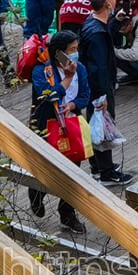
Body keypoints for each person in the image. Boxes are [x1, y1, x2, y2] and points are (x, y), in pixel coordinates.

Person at [25, 28, 90, 233]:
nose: (75, 54)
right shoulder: (41, 70)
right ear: (59, 52)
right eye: (71, 50)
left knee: (73, 171)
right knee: (46, 167)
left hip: (71, 124)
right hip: (45, 125)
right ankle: (36, 192)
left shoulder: (80, 68)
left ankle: (67, 213)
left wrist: (73, 105)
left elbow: (85, 94)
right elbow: (48, 95)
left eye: (76, 49)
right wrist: (67, 79)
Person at [77, 0, 135, 185]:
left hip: (91, 85)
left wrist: (115, 21)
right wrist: (102, 95)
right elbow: (99, 67)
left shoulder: (91, 23)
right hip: (99, 87)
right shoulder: (98, 36)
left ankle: (97, 167)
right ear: (108, 5)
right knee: (103, 126)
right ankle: (107, 172)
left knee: (95, 124)